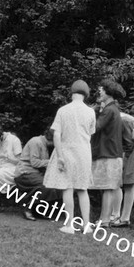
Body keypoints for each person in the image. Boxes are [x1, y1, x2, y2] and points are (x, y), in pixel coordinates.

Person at [43, 80, 96, 233]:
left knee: (67, 187)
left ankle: (70, 225)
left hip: (67, 151)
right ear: (86, 94)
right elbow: (90, 133)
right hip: (84, 153)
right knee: (82, 188)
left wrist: (59, 156)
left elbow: (57, 135)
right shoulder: (90, 111)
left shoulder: (63, 110)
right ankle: (87, 225)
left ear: (72, 92)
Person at [89, 79, 124, 227]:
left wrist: (92, 111)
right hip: (111, 153)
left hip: (108, 153)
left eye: (102, 90)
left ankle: (104, 220)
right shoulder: (113, 109)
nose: (100, 92)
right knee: (107, 188)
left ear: (108, 92)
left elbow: (95, 127)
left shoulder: (109, 110)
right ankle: (105, 219)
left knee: (107, 188)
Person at [110, 112, 134, 227]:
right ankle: (115, 215)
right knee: (116, 182)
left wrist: (123, 161)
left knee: (128, 182)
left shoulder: (122, 120)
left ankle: (124, 218)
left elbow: (129, 143)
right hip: (126, 149)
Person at [14, 128, 59, 221]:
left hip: (34, 173)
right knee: (46, 185)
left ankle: (38, 211)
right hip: (24, 173)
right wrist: (52, 162)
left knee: (55, 185)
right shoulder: (36, 142)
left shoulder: (45, 145)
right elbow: (35, 163)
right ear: (52, 138)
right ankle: (27, 208)